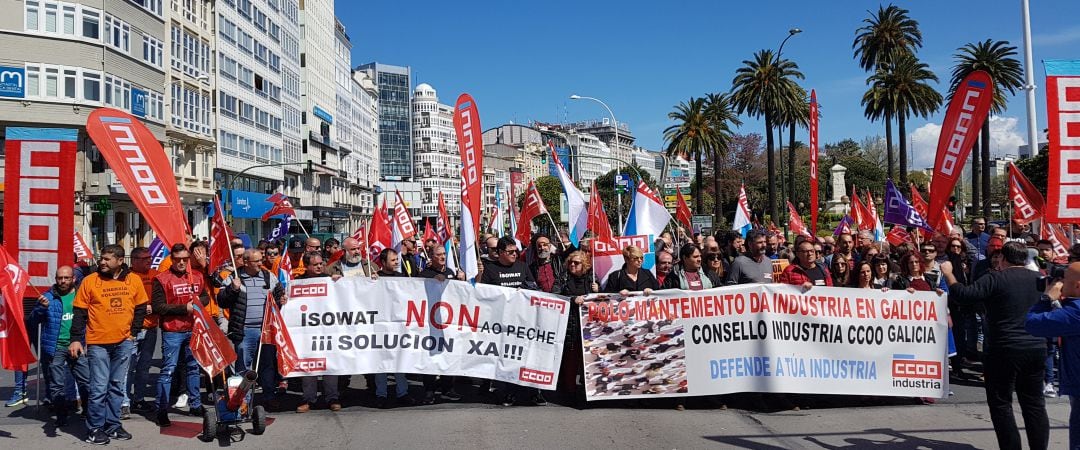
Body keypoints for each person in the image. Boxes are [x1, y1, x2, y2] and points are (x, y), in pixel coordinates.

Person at [942, 242, 1049, 450]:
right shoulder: (1041, 280)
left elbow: (964, 295)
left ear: (1002, 259)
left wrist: (949, 274)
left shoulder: (995, 278)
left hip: (1004, 348)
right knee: (1034, 404)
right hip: (1036, 347)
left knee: (1001, 404)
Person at [69, 244, 148, 445]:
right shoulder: (89, 281)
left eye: (107, 259)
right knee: (98, 387)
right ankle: (95, 428)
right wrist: (76, 339)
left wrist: (133, 333)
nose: (102, 262)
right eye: (101, 258)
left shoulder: (134, 280)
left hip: (123, 342)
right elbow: (79, 313)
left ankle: (112, 425)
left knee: (116, 387)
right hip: (98, 343)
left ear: (120, 261)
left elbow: (140, 307)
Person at [217, 248, 287, 408]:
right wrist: (233, 289)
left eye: (261, 260)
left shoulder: (269, 276)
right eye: (257, 262)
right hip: (244, 330)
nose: (261, 264)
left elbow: (278, 294)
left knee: (267, 365)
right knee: (243, 367)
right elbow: (221, 301)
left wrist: (282, 299)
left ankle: (269, 396)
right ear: (246, 262)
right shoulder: (234, 277)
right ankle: (243, 401)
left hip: (266, 331)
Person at [151, 243, 211, 427]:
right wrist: (183, 308)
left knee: (193, 368)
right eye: (178, 259)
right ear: (172, 259)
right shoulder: (161, 279)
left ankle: (195, 404)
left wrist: (198, 301)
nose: (182, 263)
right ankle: (161, 409)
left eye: (185, 259)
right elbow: (158, 307)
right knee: (168, 370)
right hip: (172, 331)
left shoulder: (197, 276)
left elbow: (206, 296)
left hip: (193, 329)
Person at [479, 237, 543, 406]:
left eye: (516, 251)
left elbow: (534, 288)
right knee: (507, 359)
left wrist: (526, 291)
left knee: (529, 358)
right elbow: (483, 295)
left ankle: (534, 392)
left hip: (524, 322)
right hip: (502, 324)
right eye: (510, 252)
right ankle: (508, 393)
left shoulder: (523, 266)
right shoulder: (490, 270)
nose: (515, 254)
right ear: (500, 253)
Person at [1026, 263, 1080, 449]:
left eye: (1064, 279)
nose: (1060, 283)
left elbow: (1033, 324)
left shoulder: (1076, 312)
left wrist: (1046, 298)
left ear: (1078, 286)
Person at [28, 266, 90, 426]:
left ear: (73, 279)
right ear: (55, 279)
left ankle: (88, 411)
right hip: (56, 347)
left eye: (66, 278)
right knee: (57, 384)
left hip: (78, 345)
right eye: (59, 278)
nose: (63, 281)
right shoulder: (47, 297)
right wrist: (41, 308)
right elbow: (33, 321)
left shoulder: (81, 295)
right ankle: (61, 415)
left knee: (85, 380)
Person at [295, 252, 342, 412]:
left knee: (330, 364)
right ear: (307, 266)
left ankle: (332, 397)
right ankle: (308, 398)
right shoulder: (298, 282)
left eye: (321, 263)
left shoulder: (330, 279)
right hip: (307, 332)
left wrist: (339, 283)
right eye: (315, 265)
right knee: (308, 365)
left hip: (328, 330)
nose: (320, 266)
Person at [418, 245, 465, 404]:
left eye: (444, 254)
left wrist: (461, 281)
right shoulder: (425, 274)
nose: (443, 257)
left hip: (449, 322)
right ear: (431, 257)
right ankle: (429, 391)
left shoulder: (451, 272)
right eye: (439, 254)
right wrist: (432, 282)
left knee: (448, 355)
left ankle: (447, 388)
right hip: (431, 323)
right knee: (431, 358)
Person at [371, 249, 415, 408]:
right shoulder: (375, 278)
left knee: (400, 361)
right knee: (381, 362)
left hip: (399, 326)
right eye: (393, 260)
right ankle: (381, 394)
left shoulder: (402, 278)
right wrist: (370, 282)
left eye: (397, 259)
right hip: (380, 326)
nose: (397, 262)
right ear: (383, 263)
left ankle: (402, 393)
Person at [123, 247, 158, 417]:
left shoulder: (155, 275)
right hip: (133, 329)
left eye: (150, 258)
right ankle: (124, 401)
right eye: (144, 258)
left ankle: (139, 399)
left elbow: (163, 297)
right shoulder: (127, 277)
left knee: (144, 367)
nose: (148, 261)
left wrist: (155, 307)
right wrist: (141, 309)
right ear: (134, 260)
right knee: (128, 367)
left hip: (151, 328)